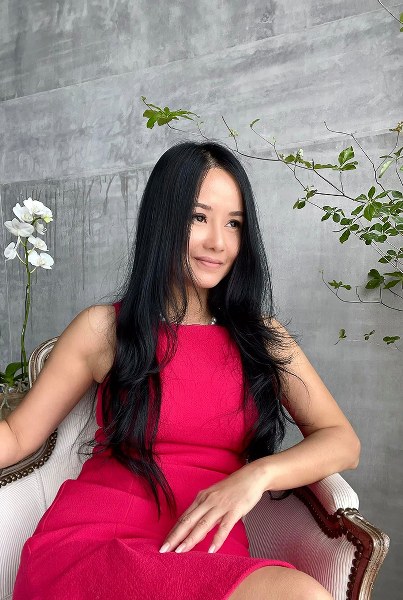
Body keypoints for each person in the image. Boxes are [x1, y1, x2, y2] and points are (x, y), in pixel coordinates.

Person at [4, 141, 360, 600]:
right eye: (198, 218)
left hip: (205, 549)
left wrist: (257, 476)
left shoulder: (262, 337)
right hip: (94, 547)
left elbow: (342, 441)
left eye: (234, 223)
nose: (218, 242)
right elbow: (17, 436)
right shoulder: (104, 329)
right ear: (164, 220)